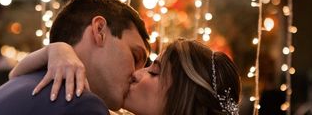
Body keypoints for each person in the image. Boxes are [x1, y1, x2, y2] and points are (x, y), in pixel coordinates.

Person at [0, 0, 151, 115]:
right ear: (100, 30)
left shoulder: (20, 85)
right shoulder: (80, 104)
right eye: (135, 57)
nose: (136, 74)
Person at [13, 37, 241, 115]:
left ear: (183, 96)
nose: (136, 74)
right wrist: (57, 50)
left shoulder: (90, 108)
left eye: (154, 72)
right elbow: (15, 81)